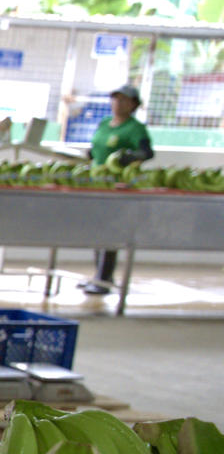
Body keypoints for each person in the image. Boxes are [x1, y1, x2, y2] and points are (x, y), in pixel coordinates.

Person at [82, 83, 153, 296]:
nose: (117, 103)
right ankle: (99, 276)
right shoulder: (105, 124)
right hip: (96, 183)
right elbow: (97, 148)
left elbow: (147, 152)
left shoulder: (135, 128)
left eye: (123, 100)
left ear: (133, 105)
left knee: (109, 231)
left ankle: (104, 278)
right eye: (115, 99)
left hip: (117, 185)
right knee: (96, 231)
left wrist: (130, 157)